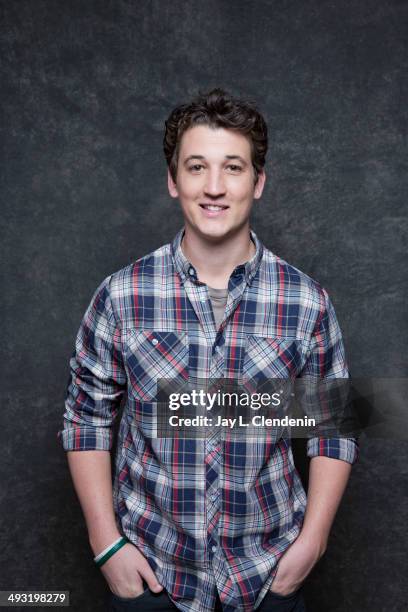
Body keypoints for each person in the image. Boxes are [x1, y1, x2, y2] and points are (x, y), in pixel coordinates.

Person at [58, 88, 359, 612]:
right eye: (196, 167)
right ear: (173, 181)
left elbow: (333, 430)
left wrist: (313, 543)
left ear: (258, 182)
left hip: (267, 575)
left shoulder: (306, 302)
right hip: (152, 573)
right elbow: (86, 420)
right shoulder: (121, 296)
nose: (214, 187)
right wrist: (106, 545)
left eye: (233, 168)